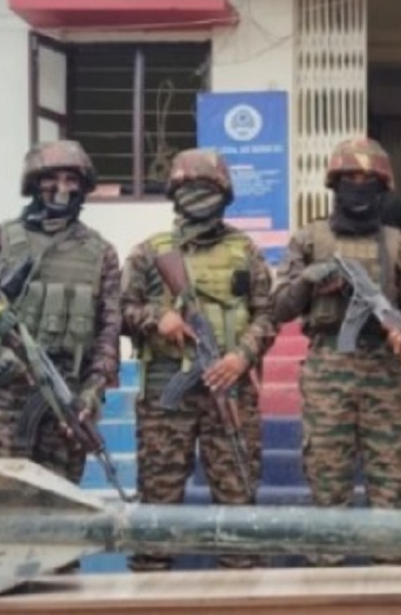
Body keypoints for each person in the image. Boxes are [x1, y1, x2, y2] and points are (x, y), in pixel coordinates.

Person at [271, 137, 401, 566]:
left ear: (383, 187)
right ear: (334, 183)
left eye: (368, 178)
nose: (358, 185)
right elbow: (279, 307)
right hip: (327, 369)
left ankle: (390, 576)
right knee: (327, 482)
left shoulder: (398, 244)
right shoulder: (309, 238)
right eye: (350, 177)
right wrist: (309, 280)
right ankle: (327, 578)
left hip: (384, 371)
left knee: (389, 481)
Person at [119, 148, 276, 572]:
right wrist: (157, 318)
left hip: (230, 389)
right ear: (174, 193)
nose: (198, 195)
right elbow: (117, 311)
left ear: (224, 193)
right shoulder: (149, 252)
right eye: (189, 187)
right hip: (166, 396)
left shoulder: (246, 250)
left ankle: (241, 588)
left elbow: (268, 314)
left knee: (239, 500)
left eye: (207, 187)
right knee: (158, 505)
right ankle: (150, 585)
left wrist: (242, 355)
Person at [0, 140, 121, 486]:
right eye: (52, 178)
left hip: (66, 398)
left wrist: (92, 393)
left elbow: (108, 335)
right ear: (34, 183)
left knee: (62, 502)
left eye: (71, 179)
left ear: (83, 187)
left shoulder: (101, 253)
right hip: (8, 401)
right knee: (5, 497)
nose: (62, 188)